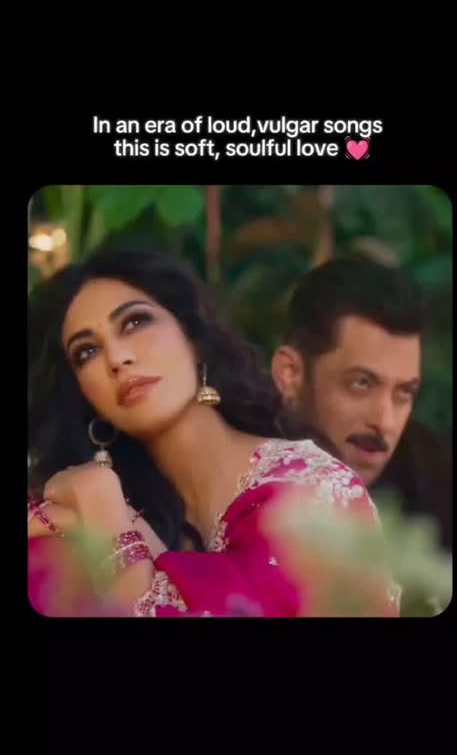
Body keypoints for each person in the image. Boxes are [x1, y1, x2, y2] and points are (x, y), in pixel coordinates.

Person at [28, 249, 400, 618]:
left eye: (134, 322)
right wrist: (109, 512)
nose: (117, 358)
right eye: (87, 352)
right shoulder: (121, 505)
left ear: (193, 338)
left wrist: (103, 506)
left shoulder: (309, 490)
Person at [271, 256, 452, 552]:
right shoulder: (231, 473)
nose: (385, 422)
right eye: (362, 384)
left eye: (404, 393)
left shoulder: (435, 478)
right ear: (290, 374)